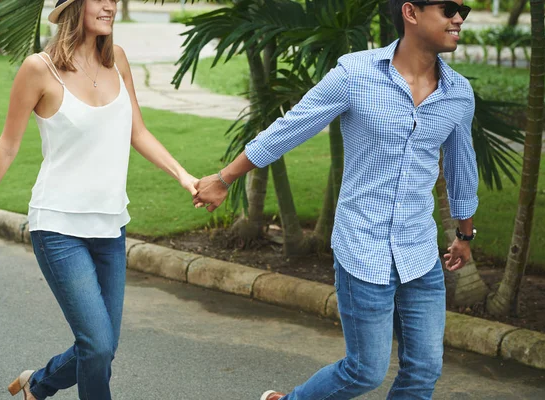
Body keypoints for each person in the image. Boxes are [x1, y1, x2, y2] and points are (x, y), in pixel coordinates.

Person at [193, 1, 478, 399]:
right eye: (449, 8)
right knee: (365, 371)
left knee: (424, 369)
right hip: (363, 249)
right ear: (411, 13)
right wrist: (225, 178)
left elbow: (464, 168)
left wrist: (465, 236)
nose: (459, 18)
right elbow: (290, 128)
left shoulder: (458, 94)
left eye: (463, 8)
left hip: (419, 253)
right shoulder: (355, 74)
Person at [0, 0, 198, 398]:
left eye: (114, 0)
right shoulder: (40, 68)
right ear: (74, 6)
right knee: (98, 345)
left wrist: (182, 175)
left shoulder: (117, 59)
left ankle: (37, 384)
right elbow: (7, 146)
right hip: (58, 226)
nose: (110, 6)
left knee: (102, 347)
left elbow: (138, 130)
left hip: (110, 224)